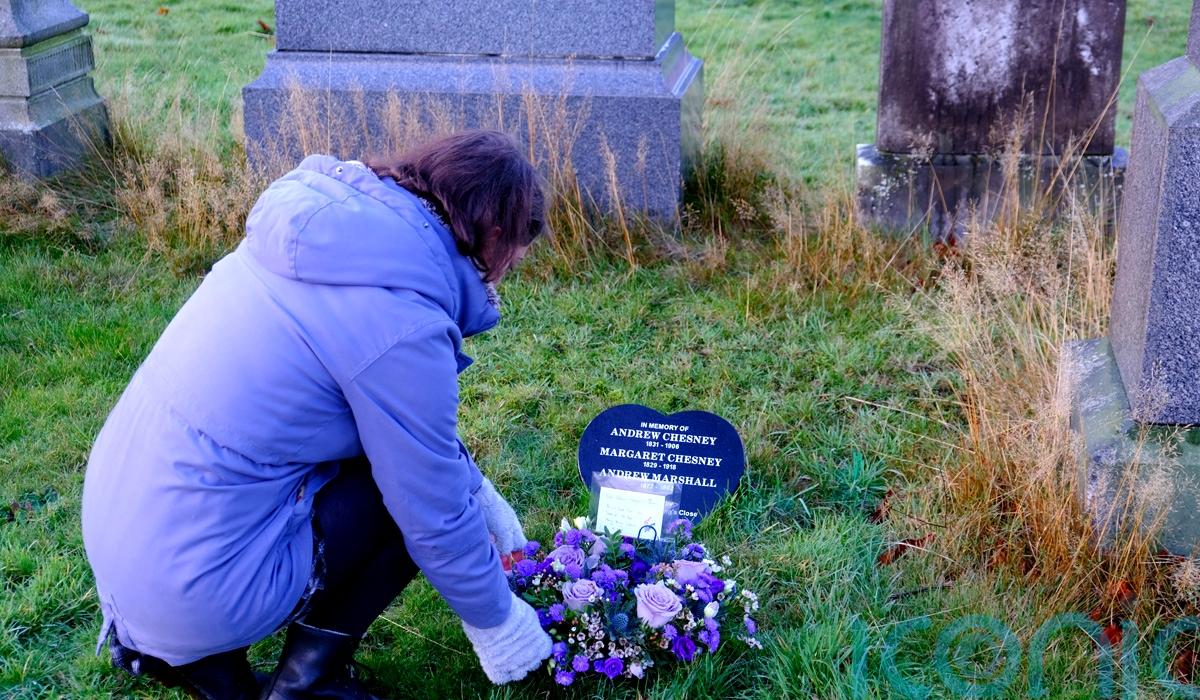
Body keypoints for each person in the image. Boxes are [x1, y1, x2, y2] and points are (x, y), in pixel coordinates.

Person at [81, 130, 554, 699]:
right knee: (394, 498)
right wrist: (501, 625)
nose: (506, 273)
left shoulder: (320, 235)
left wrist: (477, 489)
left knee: (381, 461)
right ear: (495, 235)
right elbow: (430, 504)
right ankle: (303, 684)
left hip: (130, 545)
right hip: (192, 588)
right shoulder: (400, 319)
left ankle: (187, 655)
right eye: (514, 259)